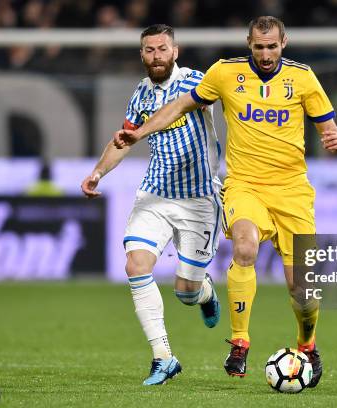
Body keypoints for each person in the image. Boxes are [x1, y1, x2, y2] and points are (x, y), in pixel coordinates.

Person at [113, 16, 337, 388]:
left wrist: (333, 137)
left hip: (292, 190)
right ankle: (239, 342)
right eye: (258, 47)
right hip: (244, 184)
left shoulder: (303, 77)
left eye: (272, 47)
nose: (265, 54)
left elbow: (328, 126)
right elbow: (179, 106)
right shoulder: (224, 73)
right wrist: (139, 133)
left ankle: (308, 345)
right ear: (248, 44)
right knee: (245, 248)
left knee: (301, 287)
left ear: (283, 43)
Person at [81, 24, 222, 386]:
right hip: (156, 193)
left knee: (185, 292)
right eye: (149, 50)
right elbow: (124, 139)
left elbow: (173, 112)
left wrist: (141, 132)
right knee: (135, 264)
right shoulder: (141, 93)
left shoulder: (194, 80)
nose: (156, 56)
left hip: (198, 198)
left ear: (175, 51)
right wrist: (98, 171)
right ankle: (163, 357)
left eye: (162, 49)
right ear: (142, 54)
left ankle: (203, 291)